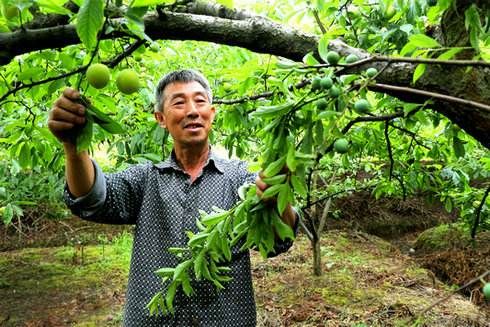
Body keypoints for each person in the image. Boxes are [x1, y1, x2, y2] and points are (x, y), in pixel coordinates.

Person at [48, 69, 298, 326]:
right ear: (161, 118)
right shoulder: (145, 180)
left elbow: (279, 239)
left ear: (211, 114)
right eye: (179, 102)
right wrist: (74, 148)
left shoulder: (239, 178)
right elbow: (92, 198)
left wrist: (277, 197)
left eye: (200, 101)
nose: (192, 110)